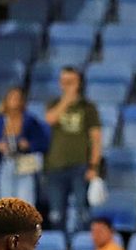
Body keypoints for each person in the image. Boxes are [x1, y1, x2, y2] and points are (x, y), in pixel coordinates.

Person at [43, 68, 103, 232]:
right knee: (56, 214)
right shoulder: (54, 103)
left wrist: (94, 166)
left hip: (80, 166)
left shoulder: (88, 108)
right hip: (56, 165)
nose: (67, 85)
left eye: (71, 82)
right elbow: (50, 119)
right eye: (64, 82)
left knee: (83, 211)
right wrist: (66, 100)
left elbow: (96, 139)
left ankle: (80, 245)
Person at [0, 87, 49, 206]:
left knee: (25, 204)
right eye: (12, 98)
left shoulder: (30, 121)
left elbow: (42, 142)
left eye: (18, 98)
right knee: (6, 205)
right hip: (5, 164)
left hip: (24, 165)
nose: (15, 101)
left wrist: (28, 145)